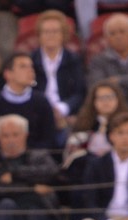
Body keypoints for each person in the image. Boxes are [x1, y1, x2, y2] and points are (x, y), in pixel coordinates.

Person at [60, 81, 128, 215]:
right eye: (101, 98)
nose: (106, 102)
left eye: (110, 97)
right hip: (89, 176)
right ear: (93, 101)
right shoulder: (83, 125)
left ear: (118, 99)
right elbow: (73, 157)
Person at [0, 52, 58, 151]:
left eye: (31, 66)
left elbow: (48, 138)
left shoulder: (41, 102)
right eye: (23, 67)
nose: (30, 70)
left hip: (35, 160)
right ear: (8, 74)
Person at [31, 9, 85, 142]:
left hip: (66, 115)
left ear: (64, 35)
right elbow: (28, 91)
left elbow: (80, 92)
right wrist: (47, 111)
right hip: (37, 113)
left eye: (55, 31)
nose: (51, 35)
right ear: (39, 35)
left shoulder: (74, 60)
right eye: (46, 32)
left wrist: (62, 109)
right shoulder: (30, 60)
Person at [87, 13, 128, 115]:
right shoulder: (98, 61)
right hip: (112, 113)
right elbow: (98, 89)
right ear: (106, 38)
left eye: (122, 32)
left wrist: (119, 80)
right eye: (112, 33)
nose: (118, 37)